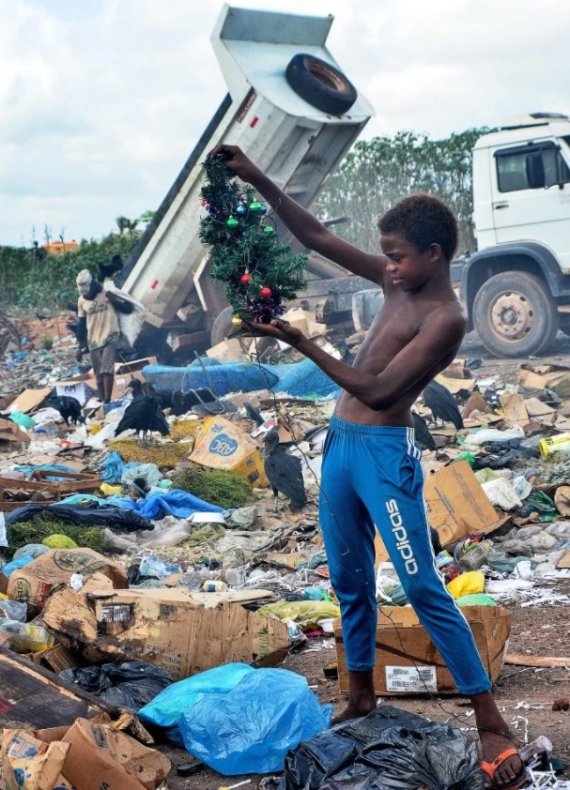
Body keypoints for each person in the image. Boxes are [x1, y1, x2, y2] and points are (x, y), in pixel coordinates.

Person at [209, 145, 526, 790]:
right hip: (341, 447)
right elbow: (318, 235)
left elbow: (380, 391)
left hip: (383, 454)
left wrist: (304, 344)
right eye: (386, 254)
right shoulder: (393, 281)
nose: (388, 265)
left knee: (420, 586)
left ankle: (490, 719)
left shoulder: (446, 318)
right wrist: (259, 178)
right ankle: (360, 697)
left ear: (434, 254)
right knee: (349, 583)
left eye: (399, 254)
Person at [75, 269, 133, 403]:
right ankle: (103, 400)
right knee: (98, 373)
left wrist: (114, 301)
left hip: (110, 335)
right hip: (93, 340)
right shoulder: (81, 301)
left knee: (106, 369)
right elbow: (81, 324)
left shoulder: (106, 293)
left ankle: (107, 399)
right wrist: (79, 347)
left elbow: (128, 308)